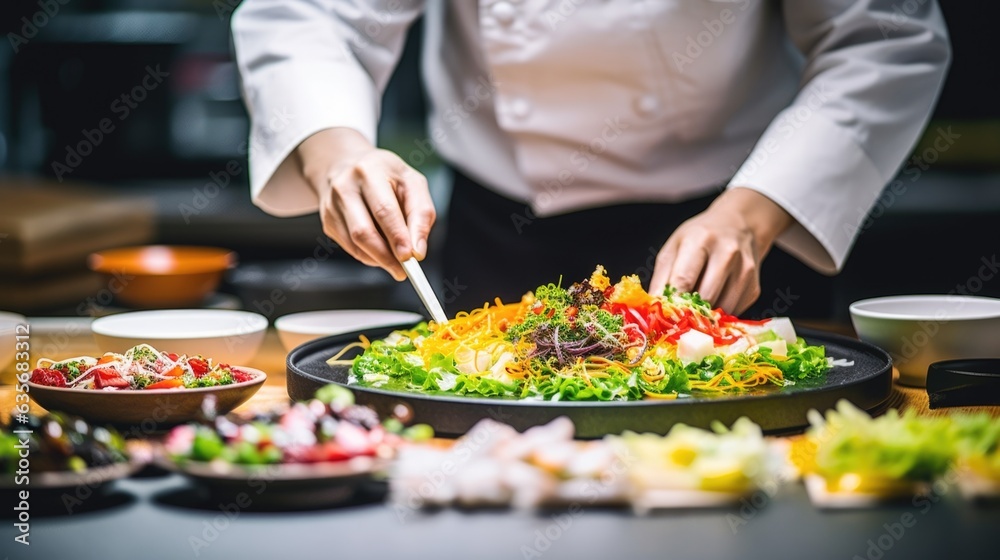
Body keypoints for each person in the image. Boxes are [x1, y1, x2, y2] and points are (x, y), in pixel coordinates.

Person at [231, 1, 949, 315]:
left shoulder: (747, 223)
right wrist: (338, 154)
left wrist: (752, 215)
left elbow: (883, 37)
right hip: (507, 234)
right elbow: (313, 14)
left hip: (740, 231)